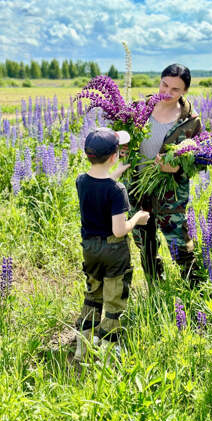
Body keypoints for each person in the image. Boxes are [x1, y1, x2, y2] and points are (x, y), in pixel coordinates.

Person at [74, 128, 150, 359]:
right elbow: (119, 230)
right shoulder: (118, 190)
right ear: (113, 156)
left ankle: (81, 348)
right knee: (114, 300)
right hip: (113, 250)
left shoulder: (82, 181)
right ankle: (107, 351)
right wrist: (138, 218)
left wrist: (116, 171)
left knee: (93, 295)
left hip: (90, 249)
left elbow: (101, 186)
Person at [126, 64, 203, 287]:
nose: (167, 93)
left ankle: (196, 291)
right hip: (138, 188)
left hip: (171, 194)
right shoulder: (140, 109)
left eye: (175, 90)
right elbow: (126, 140)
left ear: (185, 92)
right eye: (164, 84)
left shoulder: (191, 121)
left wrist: (176, 168)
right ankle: (156, 291)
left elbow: (197, 161)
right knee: (144, 243)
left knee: (179, 243)